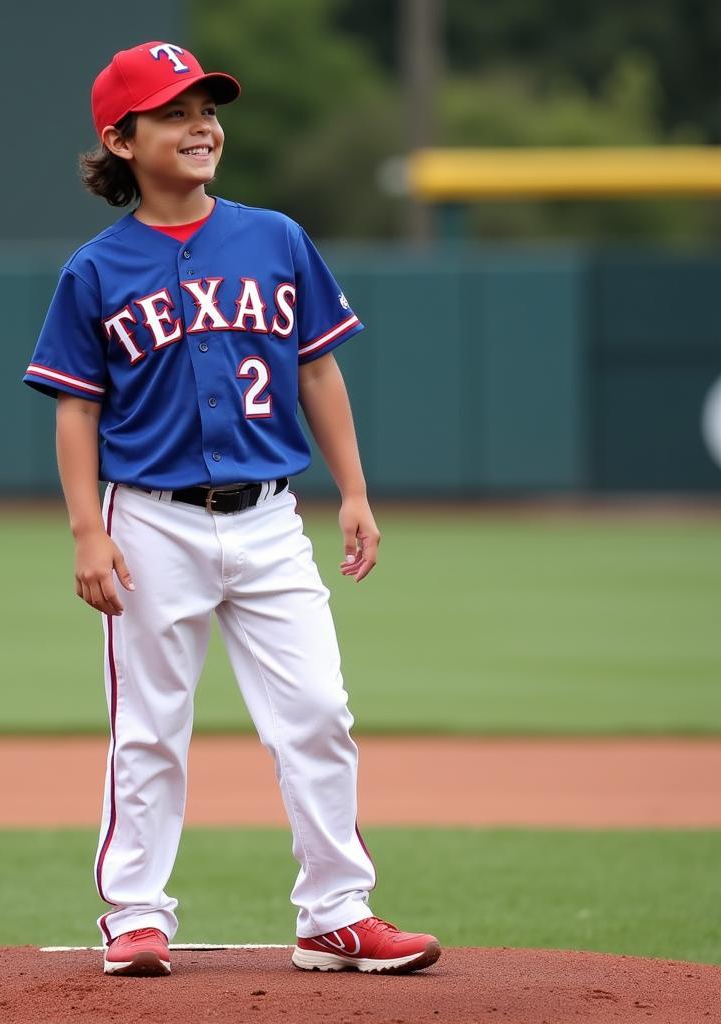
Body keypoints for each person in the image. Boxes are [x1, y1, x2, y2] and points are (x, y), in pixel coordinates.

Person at [22, 41, 441, 978]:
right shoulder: (96, 268)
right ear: (120, 139)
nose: (201, 125)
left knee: (320, 712)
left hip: (268, 516)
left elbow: (318, 368)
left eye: (207, 109)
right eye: (174, 113)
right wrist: (88, 531)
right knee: (150, 727)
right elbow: (76, 410)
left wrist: (357, 493)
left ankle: (336, 912)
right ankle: (134, 913)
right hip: (151, 522)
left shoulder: (275, 238)